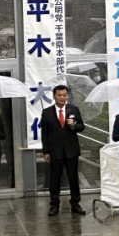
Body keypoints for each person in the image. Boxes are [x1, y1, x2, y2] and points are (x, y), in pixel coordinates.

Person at [41, 85, 86, 217]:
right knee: (54, 179)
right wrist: (46, 151)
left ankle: (75, 203)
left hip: (71, 150)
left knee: (73, 178)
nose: (62, 97)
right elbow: (45, 134)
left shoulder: (74, 109)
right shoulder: (47, 112)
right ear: (54, 96)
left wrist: (73, 125)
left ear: (67, 96)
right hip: (55, 151)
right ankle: (54, 204)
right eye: (59, 95)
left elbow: (82, 127)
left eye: (64, 95)